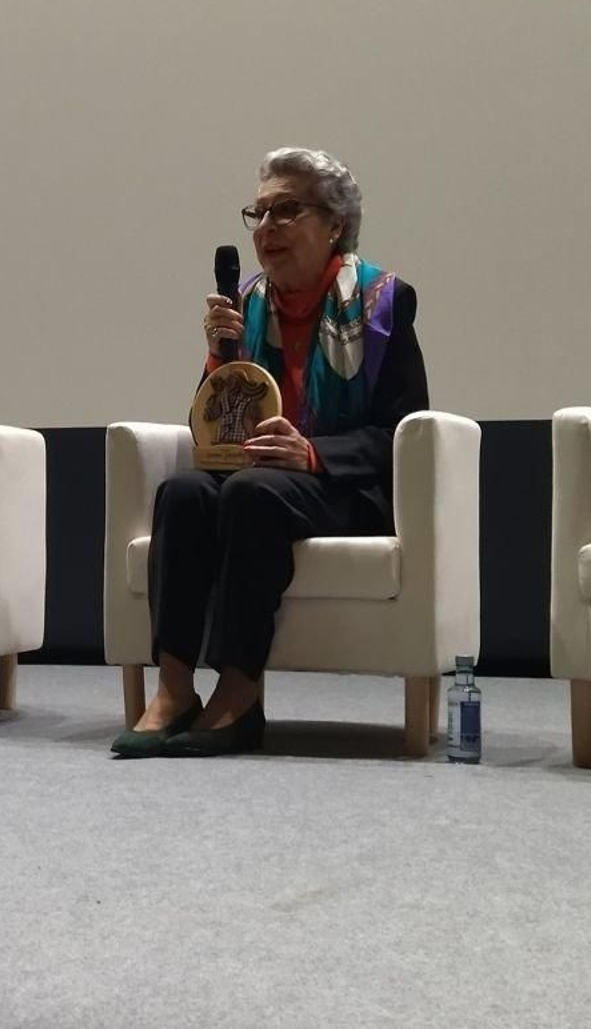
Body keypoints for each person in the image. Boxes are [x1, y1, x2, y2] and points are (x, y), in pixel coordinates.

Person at [112, 147, 429, 758]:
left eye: (285, 211)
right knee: (181, 492)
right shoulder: (248, 305)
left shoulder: (383, 302)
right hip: (252, 477)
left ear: (336, 223)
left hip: (343, 486)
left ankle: (239, 693)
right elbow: (213, 428)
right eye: (257, 214)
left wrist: (311, 453)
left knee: (254, 492)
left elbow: (400, 430)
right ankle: (174, 688)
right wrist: (217, 359)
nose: (266, 228)